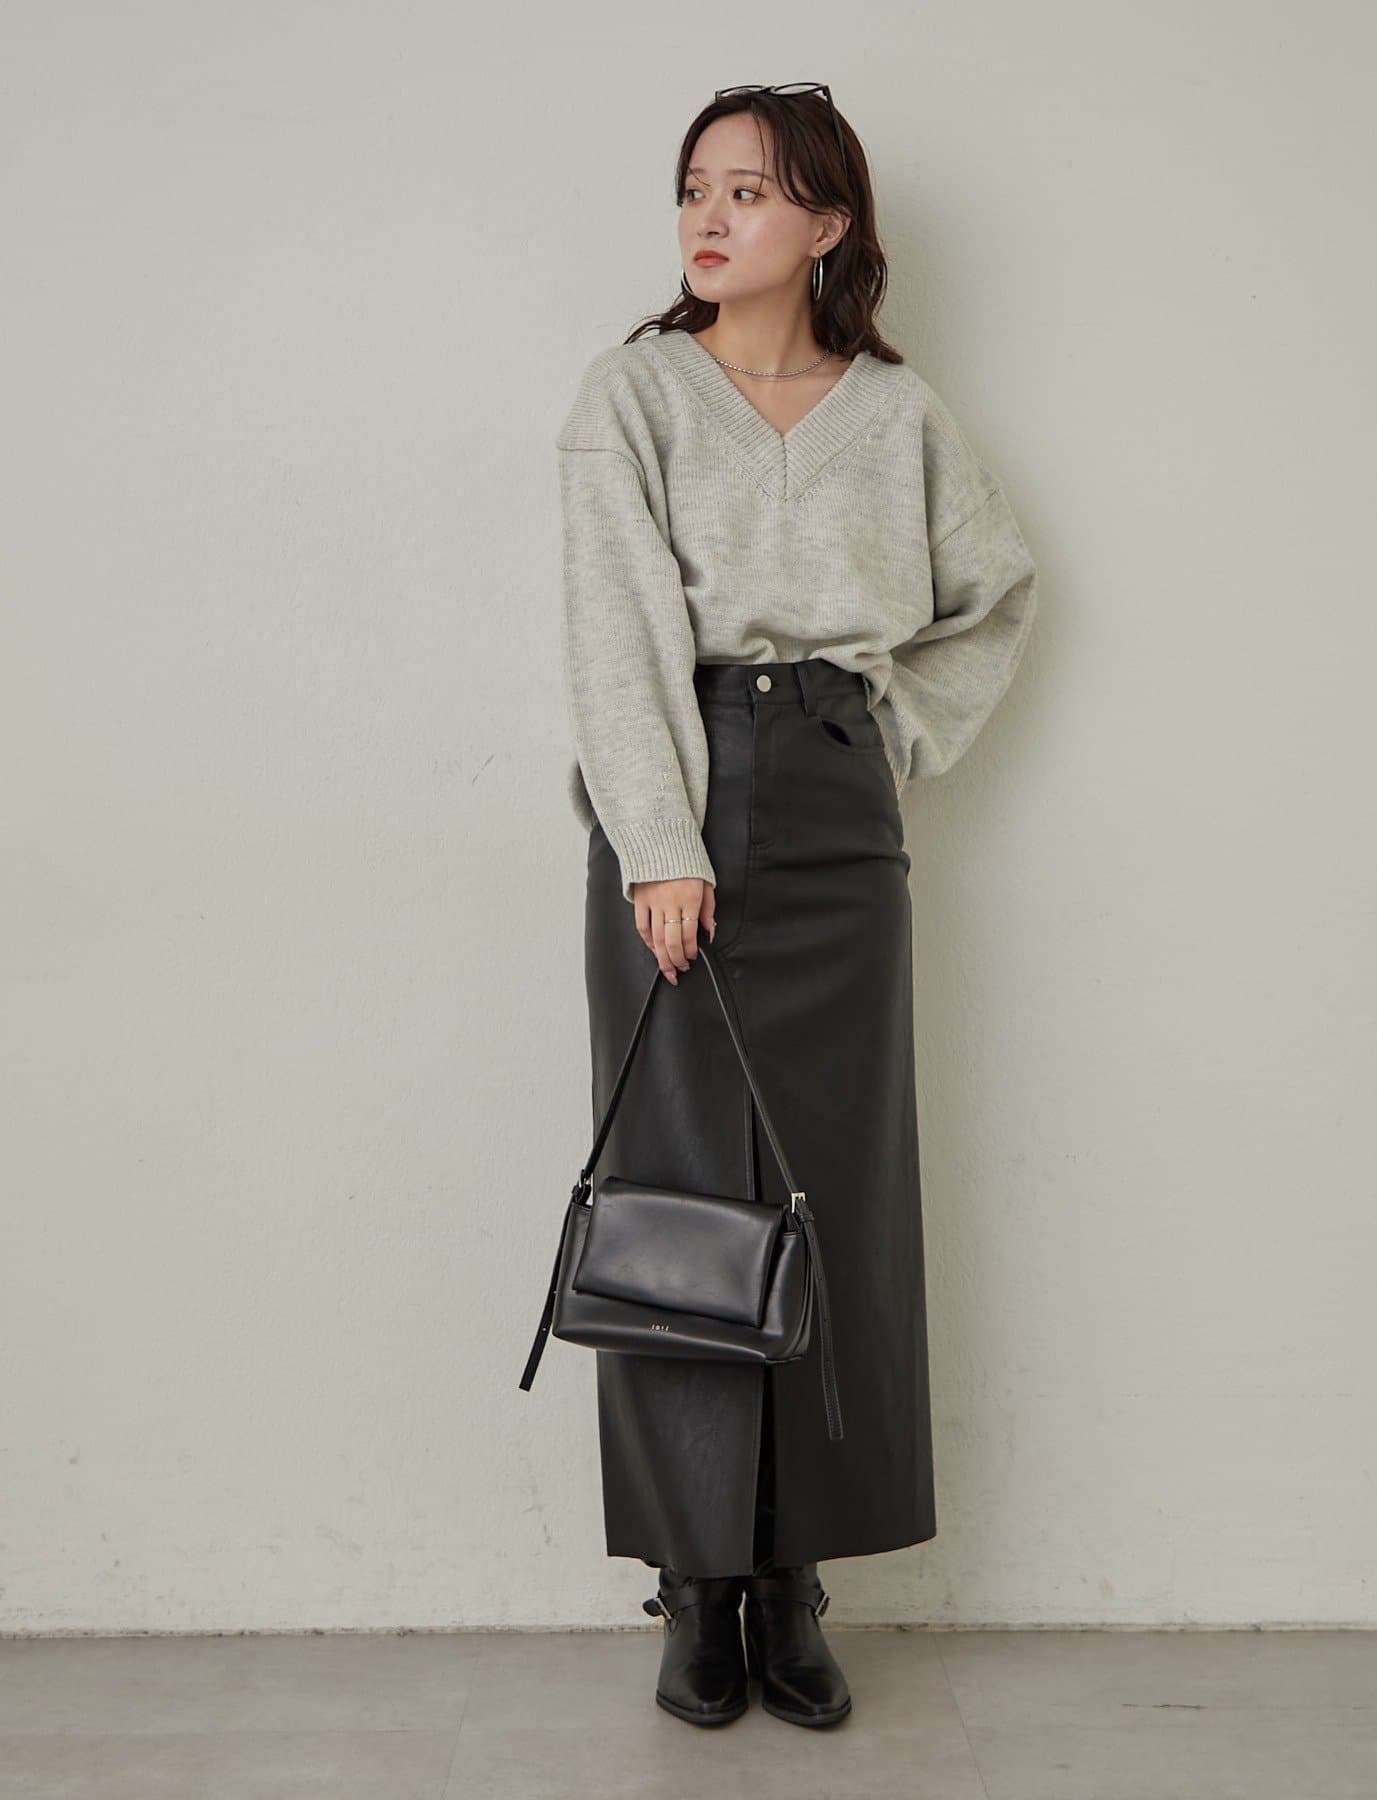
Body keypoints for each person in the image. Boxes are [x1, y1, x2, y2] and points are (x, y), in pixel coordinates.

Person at [553, 83, 1039, 1729]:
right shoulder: (632, 395)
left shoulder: (899, 415)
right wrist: (659, 842)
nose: (709, 216)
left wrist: (887, 734)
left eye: (749, 191)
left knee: (836, 1193)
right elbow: (614, 627)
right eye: (695, 186)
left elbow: (997, 592)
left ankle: (794, 1579)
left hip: (835, 808)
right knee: (681, 1191)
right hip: (681, 792)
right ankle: (697, 1581)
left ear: (826, 224)